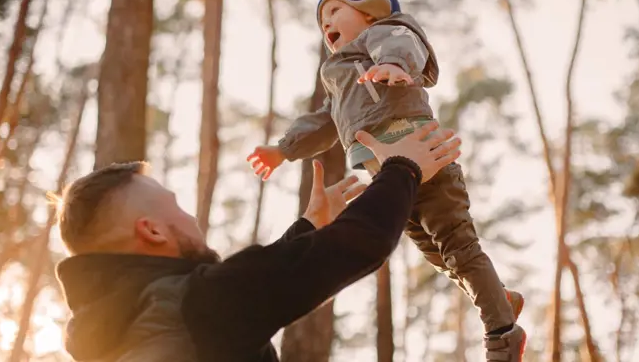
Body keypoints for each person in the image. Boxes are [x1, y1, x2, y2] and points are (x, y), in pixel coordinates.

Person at [246, 0, 526, 361]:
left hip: (422, 155)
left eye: (335, 11)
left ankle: (503, 334)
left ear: (370, 10)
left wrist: (394, 65)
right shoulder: (340, 75)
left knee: (458, 246)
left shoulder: (385, 35)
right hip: (394, 181)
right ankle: (498, 298)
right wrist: (284, 149)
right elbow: (324, 121)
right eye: (322, 22)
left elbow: (400, 45)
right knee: (439, 256)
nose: (327, 26)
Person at [53, 121, 460, 362]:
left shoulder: (114, 335)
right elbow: (357, 244)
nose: (191, 217)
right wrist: (403, 167)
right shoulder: (196, 304)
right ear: (153, 231)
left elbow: (253, 288)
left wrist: (308, 226)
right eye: (176, 207)